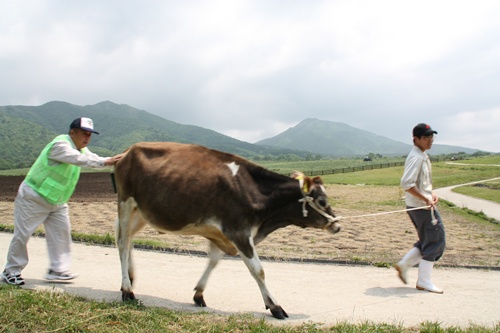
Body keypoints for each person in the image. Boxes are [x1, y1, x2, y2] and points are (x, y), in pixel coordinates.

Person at [1, 117, 124, 285]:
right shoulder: (60, 145)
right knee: (22, 235)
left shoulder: (81, 149)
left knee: (62, 235)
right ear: (72, 132)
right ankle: (11, 272)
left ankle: (57, 270)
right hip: (34, 197)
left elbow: (92, 158)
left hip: (57, 202)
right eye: (84, 134)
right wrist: (105, 161)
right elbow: (79, 160)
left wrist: (113, 160)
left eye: (89, 135)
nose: (87, 138)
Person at [395, 123, 446, 294]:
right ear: (416, 139)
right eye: (426, 137)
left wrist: (430, 194)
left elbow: (421, 184)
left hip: (420, 205)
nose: (430, 140)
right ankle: (424, 281)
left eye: (431, 137)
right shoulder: (416, 157)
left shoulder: (422, 155)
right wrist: (425, 198)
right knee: (436, 239)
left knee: (428, 238)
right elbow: (407, 184)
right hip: (420, 207)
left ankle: (404, 264)